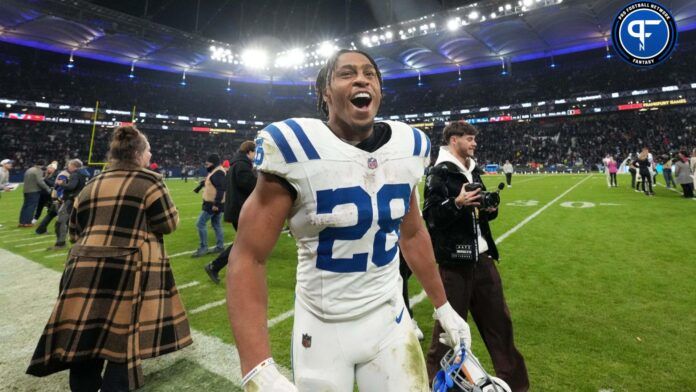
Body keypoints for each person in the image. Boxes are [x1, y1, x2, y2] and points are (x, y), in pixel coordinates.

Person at [226, 49, 470, 392]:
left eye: (370, 74)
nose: (361, 79)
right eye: (347, 73)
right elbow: (248, 256)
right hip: (323, 328)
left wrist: (443, 306)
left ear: (380, 92)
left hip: (390, 319)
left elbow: (412, 234)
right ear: (326, 93)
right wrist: (255, 366)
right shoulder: (295, 147)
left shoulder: (408, 146)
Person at [26, 126, 192, 391]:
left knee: (84, 344)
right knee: (121, 348)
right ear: (138, 153)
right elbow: (168, 223)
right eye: (148, 150)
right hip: (127, 269)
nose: (150, 154)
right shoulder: (150, 181)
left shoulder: (91, 184)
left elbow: (74, 232)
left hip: (82, 268)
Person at [423, 121, 529, 391]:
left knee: (501, 328)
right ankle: (433, 386)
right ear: (453, 140)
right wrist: (457, 203)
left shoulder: (473, 171)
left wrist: (489, 209)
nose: (475, 143)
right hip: (454, 265)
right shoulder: (439, 173)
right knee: (448, 337)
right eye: (469, 139)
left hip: (482, 260)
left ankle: (517, 387)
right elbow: (431, 217)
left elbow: (478, 217)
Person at [204, 141, 257, 284]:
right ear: (250, 152)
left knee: (245, 243)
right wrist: (257, 175)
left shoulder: (235, 164)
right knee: (244, 243)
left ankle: (232, 268)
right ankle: (215, 266)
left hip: (236, 208)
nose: (256, 155)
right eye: (255, 152)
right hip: (240, 210)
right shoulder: (242, 165)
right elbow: (251, 186)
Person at [48, 159, 89, 250]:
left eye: (69, 165)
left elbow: (71, 186)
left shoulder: (75, 174)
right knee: (78, 222)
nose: (68, 167)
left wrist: (61, 183)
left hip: (71, 200)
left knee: (60, 221)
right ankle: (81, 242)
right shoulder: (86, 173)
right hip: (81, 199)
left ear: (74, 166)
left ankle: (60, 243)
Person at [192, 154, 226, 257]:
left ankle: (204, 248)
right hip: (215, 203)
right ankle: (220, 246)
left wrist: (216, 203)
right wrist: (198, 188)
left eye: (208, 163)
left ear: (214, 163)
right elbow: (211, 183)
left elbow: (221, 189)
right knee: (216, 225)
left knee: (200, 224)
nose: (206, 165)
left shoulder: (218, 173)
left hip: (212, 204)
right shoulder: (216, 171)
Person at [35, 166, 70, 235]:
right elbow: (60, 187)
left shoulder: (64, 174)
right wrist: (61, 197)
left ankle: (40, 230)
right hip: (60, 197)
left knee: (52, 213)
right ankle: (63, 231)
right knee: (64, 214)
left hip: (57, 196)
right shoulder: (64, 175)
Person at [19, 159, 50, 227]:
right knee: (31, 207)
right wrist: (47, 188)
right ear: (43, 165)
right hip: (34, 191)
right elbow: (40, 182)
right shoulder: (38, 171)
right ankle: (27, 222)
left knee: (25, 206)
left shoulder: (29, 169)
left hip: (26, 190)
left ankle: (22, 222)